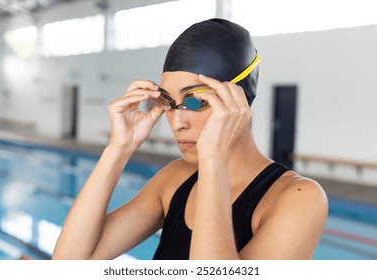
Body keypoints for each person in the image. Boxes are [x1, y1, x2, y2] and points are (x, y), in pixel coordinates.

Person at [52, 18, 328, 260]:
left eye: (195, 101)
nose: (176, 122)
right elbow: (69, 263)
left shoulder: (298, 199)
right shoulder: (174, 179)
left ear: (239, 101)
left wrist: (213, 158)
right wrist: (119, 148)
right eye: (169, 102)